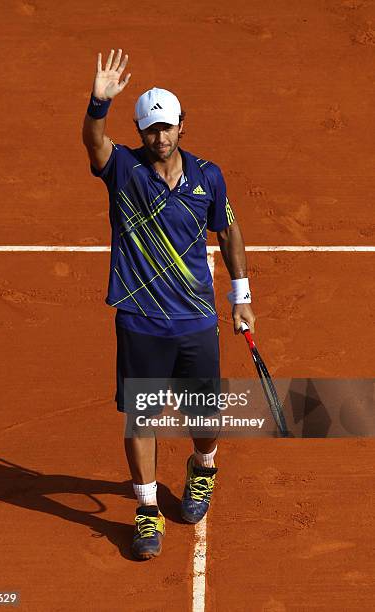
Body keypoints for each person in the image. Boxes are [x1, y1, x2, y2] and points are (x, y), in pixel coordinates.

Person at [82, 49, 255, 560]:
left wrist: (241, 296)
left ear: (183, 126)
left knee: (206, 417)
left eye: (167, 128)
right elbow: (94, 143)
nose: (160, 138)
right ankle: (146, 508)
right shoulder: (124, 171)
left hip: (196, 317)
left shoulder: (208, 177)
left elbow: (228, 231)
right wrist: (98, 103)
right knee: (143, 417)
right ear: (139, 132)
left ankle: (203, 469)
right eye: (151, 130)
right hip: (140, 318)